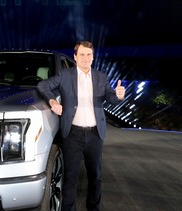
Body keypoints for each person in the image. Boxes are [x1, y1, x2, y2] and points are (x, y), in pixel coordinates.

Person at [37, 40, 125, 211]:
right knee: (70, 178)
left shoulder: (101, 77)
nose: (86, 58)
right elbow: (43, 85)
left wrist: (119, 96)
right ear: (75, 57)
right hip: (72, 135)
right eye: (82, 54)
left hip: (95, 135)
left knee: (96, 177)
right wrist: (53, 99)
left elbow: (112, 99)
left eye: (89, 55)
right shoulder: (65, 75)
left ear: (93, 57)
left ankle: (94, 208)